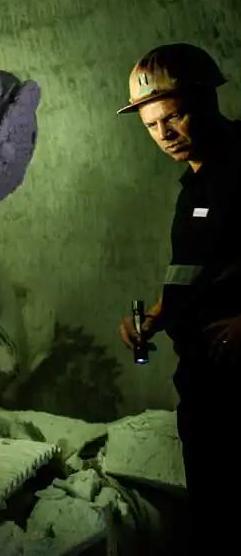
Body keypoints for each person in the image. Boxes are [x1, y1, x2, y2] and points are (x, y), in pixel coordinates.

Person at [116, 43, 241, 550]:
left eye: (174, 117)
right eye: (151, 126)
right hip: (205, 383)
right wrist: (154, 317)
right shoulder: (194, 187)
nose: (164, 134)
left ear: (207, 100)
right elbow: (195, 275)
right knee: (213, 515)